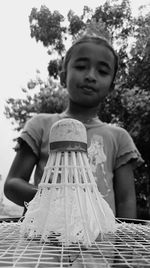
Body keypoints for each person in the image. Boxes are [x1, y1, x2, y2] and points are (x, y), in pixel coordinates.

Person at [4, 33, 143, 219]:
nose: (91, 76)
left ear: (111, 86)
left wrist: (126, 244)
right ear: (63, 77)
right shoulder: (40, 125)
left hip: (100, 245)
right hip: (44, 244)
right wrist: (52, 198)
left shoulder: (119, 138)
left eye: (102, 71)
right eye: (80, 67)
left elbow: (125, 200)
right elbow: (12, 184)